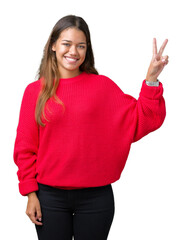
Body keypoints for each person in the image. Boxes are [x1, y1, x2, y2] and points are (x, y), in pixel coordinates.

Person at [13, 14, 169, 240]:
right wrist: (30, 193)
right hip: (48, 197)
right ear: (53, 46)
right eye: (67, 44)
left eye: (81, 46)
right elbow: (25, 148)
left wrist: (151, 80)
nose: (73, 51)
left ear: (87, 50)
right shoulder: (34, 91)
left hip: (96, 198)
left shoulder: (102, 87)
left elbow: (141, 119)